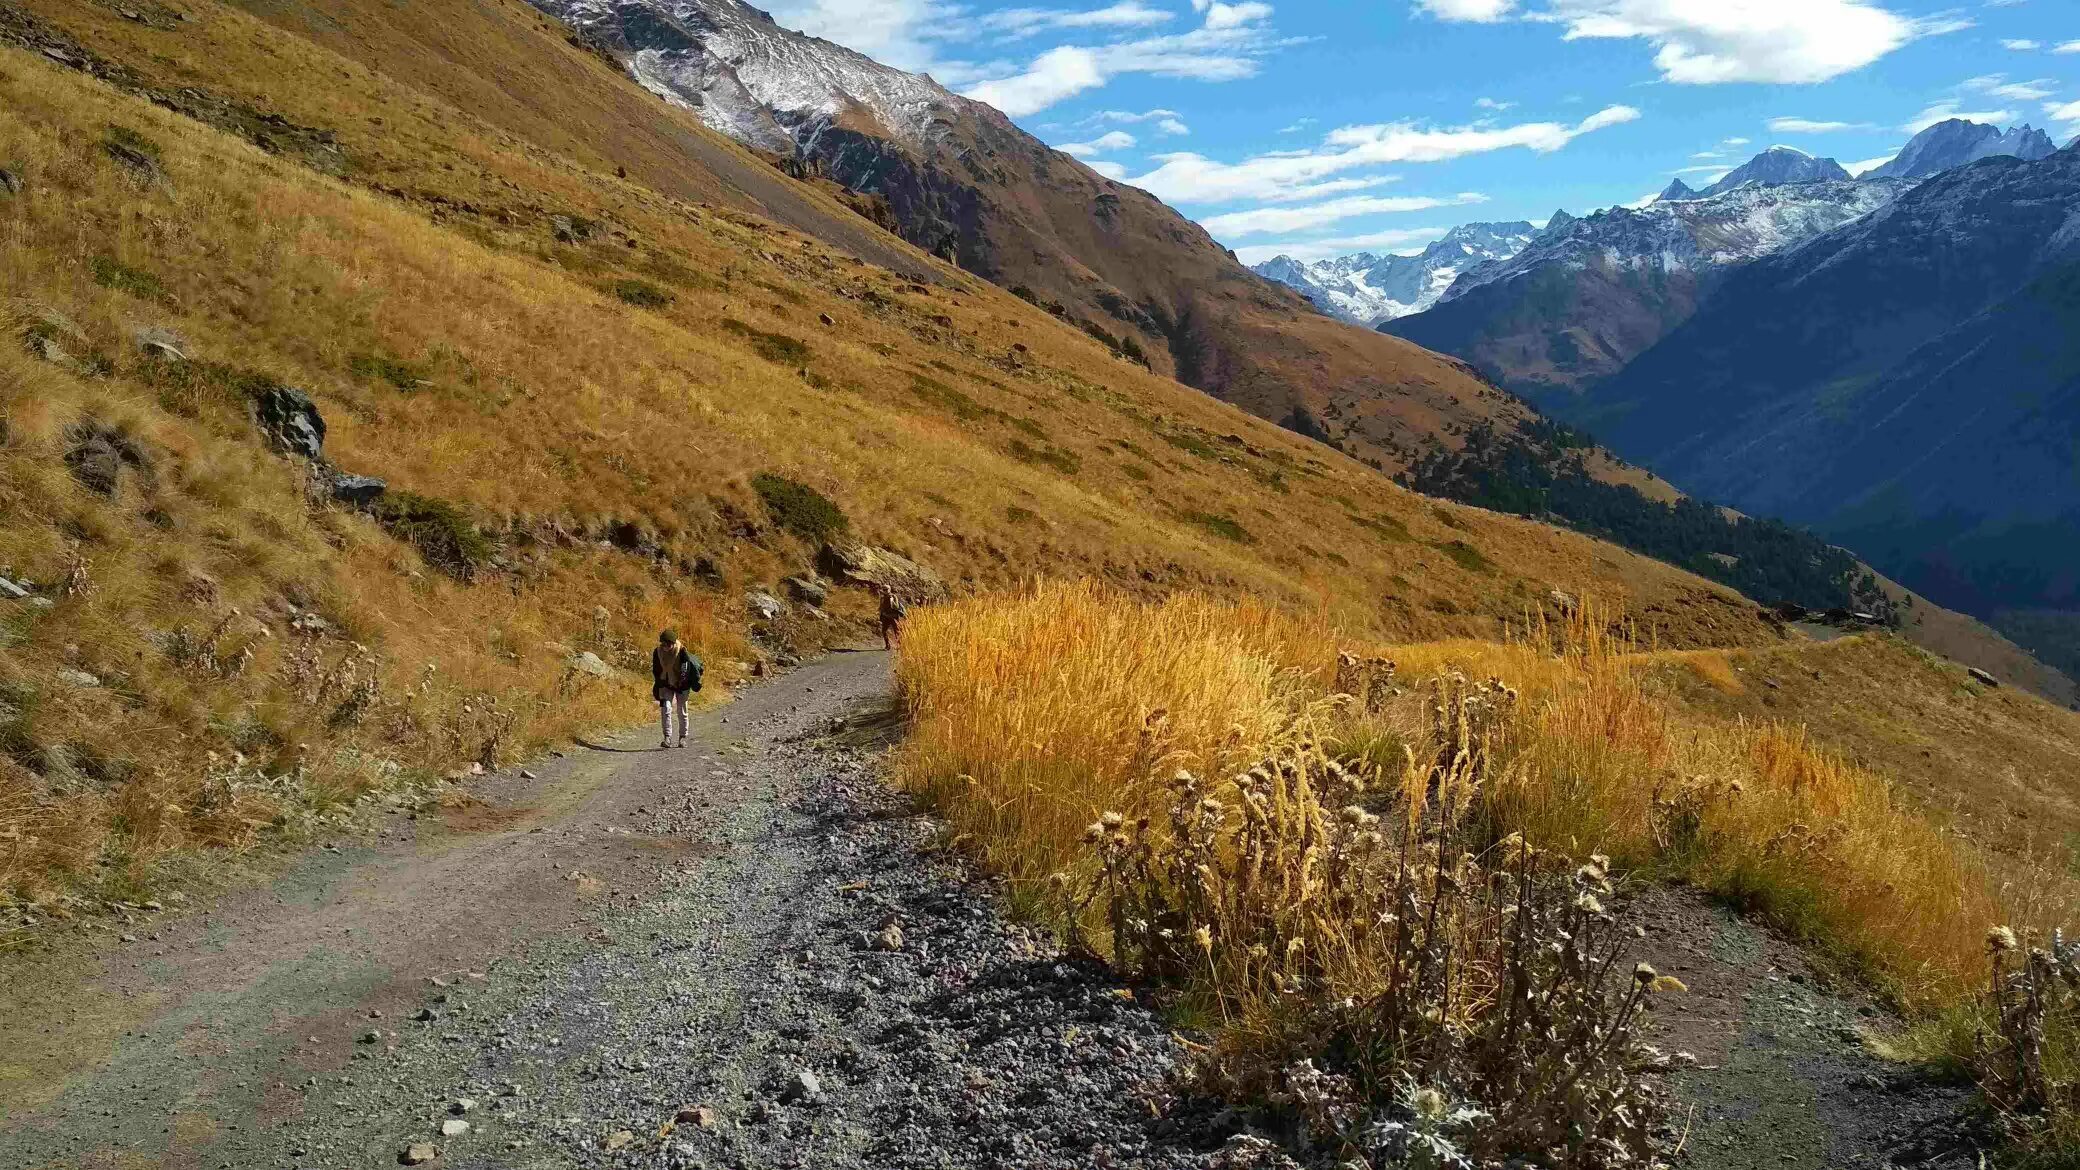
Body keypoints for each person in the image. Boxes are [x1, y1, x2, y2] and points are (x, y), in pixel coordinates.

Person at [651, 630, 702, 749]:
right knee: (665, 708)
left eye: (668, 644)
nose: (665, 647)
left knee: (682, 710)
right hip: (665, 684)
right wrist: (658, 684)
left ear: (673, 643)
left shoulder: (682, 651)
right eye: (663, 644)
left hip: (682, 686)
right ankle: (667, 737)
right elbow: (656, 670)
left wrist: (681, 683)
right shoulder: (657, 652)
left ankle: (682, 737)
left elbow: (685, 669)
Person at [877, 586, 908, 651]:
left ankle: (900, 646)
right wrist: (880, 612)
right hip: (886, 617)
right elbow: (880, 607)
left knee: (897, 632)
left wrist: (892, 601)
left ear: (889, 589)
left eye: (886, 589)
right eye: (884, 589)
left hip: (894, 617)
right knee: (884, 631)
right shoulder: (882, 598)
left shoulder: (893, 596)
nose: (885, 590)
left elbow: (896, 607)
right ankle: (887, 646)